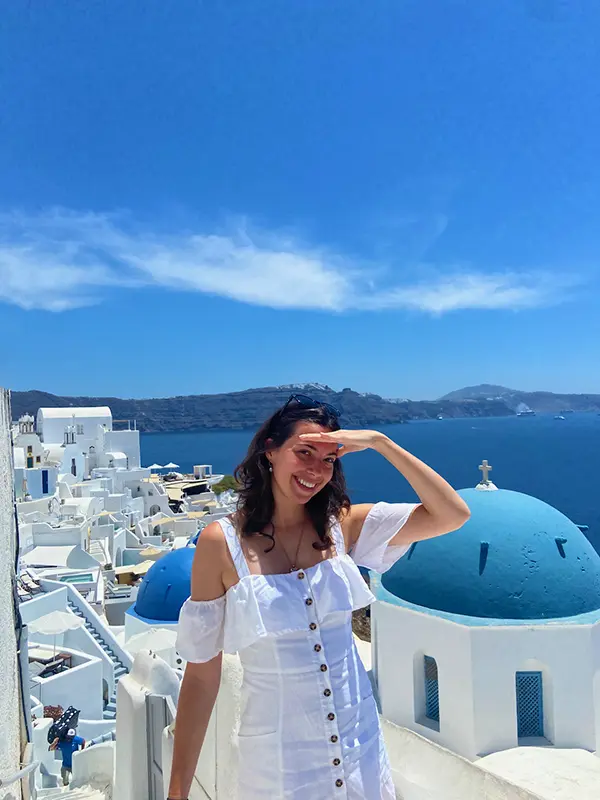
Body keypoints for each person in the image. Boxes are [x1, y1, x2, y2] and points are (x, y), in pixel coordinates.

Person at [169, 394, 470, 800]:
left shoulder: (342, 527)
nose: (315, 469)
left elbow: (452, 514)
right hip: (278, 768)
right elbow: (202, 676)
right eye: (304, 451)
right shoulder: (221, 545)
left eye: (328, 459)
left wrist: (383, 443)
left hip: (359, 750)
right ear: (270, 451)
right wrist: (177, 792)